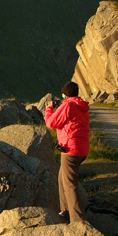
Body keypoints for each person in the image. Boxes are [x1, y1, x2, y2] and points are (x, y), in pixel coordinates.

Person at [44, 81, 90, 222]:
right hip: (82, 148)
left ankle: (78, 219)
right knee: (62, 178)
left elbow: (51, 123)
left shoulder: (68, 105)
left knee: (70, 184)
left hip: (71, 149)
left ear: (65, 94)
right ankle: (64, 211)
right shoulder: (82, 106)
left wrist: (49, 110)